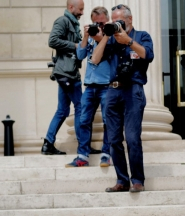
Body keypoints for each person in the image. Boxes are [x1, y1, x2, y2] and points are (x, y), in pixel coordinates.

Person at [92, 4, 153, 192]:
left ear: (130, 19)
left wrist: (128, 41)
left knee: (133, 138)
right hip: (112, 91)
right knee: (114, 139)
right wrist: (106, 36)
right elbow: (94, 59)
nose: (117, 23)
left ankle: (137, 180)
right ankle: (122, 180)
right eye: (114, 20)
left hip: (133, 91)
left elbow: (148, 55)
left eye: (120, 20)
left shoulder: (141, 36)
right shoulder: (111, 40)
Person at [66, 6, 113, 168]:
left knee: (109, 121)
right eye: (95, 23)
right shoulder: (91, 36)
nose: (98, 26)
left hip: (106, 85)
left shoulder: (111, 35)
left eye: (101, 23)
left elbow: (110, 51)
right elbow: (80, 56)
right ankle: (82, 156)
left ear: (106, 21)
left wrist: (101, 36)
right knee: (84, 120)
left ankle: (107, 154)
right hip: (90, 86)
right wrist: (86, 36)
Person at [42, 0, 85, 155]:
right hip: (68, 73)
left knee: (62, 111)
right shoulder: (63, 21)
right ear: (70, 7)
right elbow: (52, 40)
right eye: (80, 9)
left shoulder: (73, 23)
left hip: (68, 72)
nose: (82, 12)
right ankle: (83, 145)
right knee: (80, 107)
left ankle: (48, 143)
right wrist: (74, 46)